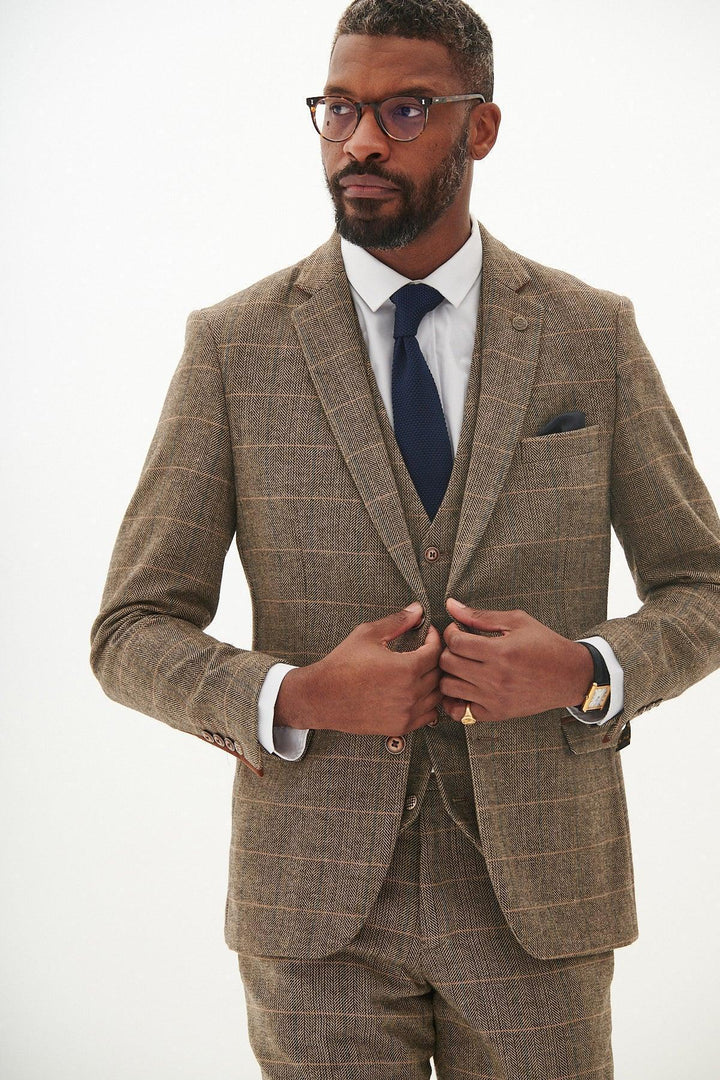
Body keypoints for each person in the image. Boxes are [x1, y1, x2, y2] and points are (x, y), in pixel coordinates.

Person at [90, 1, 720, 1076]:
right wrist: (292, 695)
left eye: (405, 109)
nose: (362, 140)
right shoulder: (234, 347)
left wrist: (586, 668)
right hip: (315, 908)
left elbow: (701, 585)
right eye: (339, 109)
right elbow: (131, 631)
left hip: (542, 897)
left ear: (480, 128)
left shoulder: (589, 333)